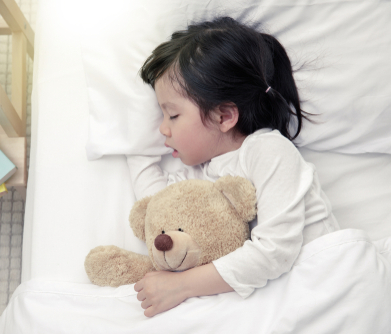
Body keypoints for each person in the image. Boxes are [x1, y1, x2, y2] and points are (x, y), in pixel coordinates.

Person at [126, 16, 340, 318]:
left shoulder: (267, 150)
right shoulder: (201, 172)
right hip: (277, 295)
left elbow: (275, 251)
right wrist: (133, 147)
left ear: (224, 116)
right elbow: (157, 207)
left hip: (324, 278)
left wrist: (182, 285)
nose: (163, 129)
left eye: (172, 116)